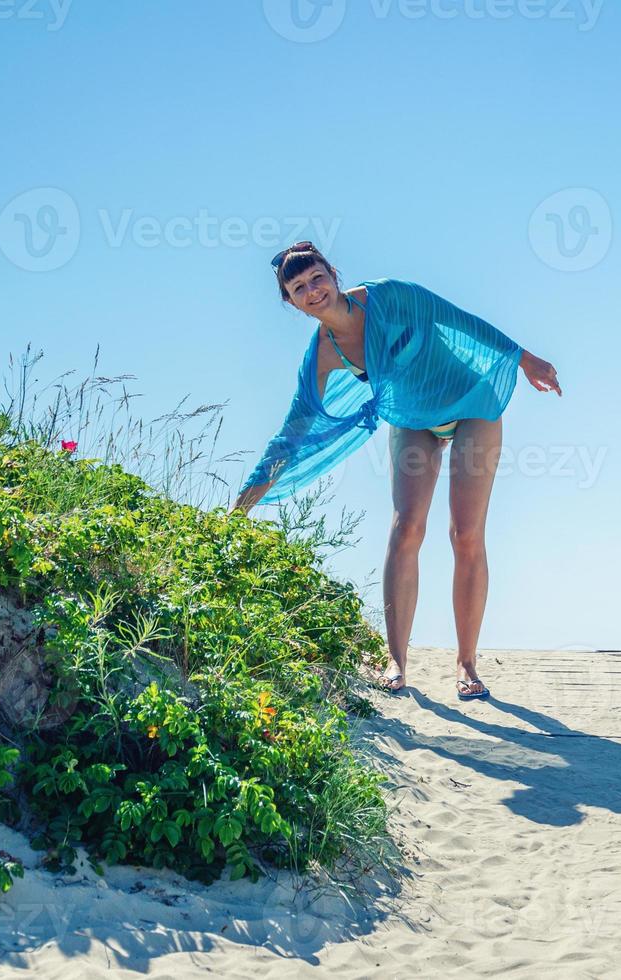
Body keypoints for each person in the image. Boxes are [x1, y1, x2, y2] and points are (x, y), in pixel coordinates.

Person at [233, 243, 561, 701]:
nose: (313, 291)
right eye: (299, 288)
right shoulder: (323, 355)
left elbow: (456, 317)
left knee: (465, 533)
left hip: (471, 403)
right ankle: (396, 660)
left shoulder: (388, 296)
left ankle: (467, 664)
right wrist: (241, 505)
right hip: (412, 420)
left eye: (317, 278)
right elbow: (293, 431)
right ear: (290, 302)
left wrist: (524, 359)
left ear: (333, 272)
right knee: (406, 527)